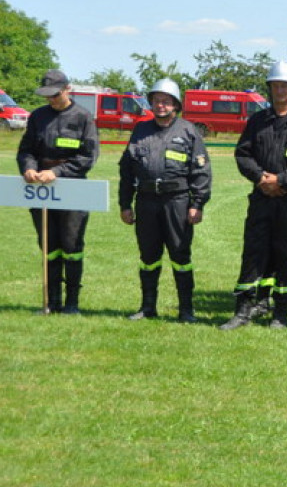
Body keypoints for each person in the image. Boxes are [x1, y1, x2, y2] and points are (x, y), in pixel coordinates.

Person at [220, 62, 287, 330]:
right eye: (275, 86)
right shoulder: (258, 121)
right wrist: (260, 178)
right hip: (261, 198)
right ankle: (242, 310)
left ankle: (281, 313)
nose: (280, 90)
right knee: (253, 252)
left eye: (285, 86)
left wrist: (281, 180)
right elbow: (243, 154)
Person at [118, 78, 211, 322]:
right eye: (157, 101)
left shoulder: (188, 131)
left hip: (177, 201)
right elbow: (127, 169)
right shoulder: (140, 130)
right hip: (146, 201)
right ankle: (147, 307)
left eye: (166, 101)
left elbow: (201, 171)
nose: (161, 105)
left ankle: (186, 310)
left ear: (176, 105)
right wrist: (125, 204)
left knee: (180, 256)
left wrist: (197, 204)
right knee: (148, 257)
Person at [17, 69, 99, 314]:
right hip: (41, 189)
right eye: (47, 95)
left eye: (55, 94)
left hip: (72, 188)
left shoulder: (83, 117)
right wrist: (29, 168)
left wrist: (58, 172)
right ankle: (51, 302)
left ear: (67, 90)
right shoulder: (38, 116)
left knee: (72, 246)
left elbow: (88, 156)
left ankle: (72, 303)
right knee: (49, 245)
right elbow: (26, 150)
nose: (50, 99)